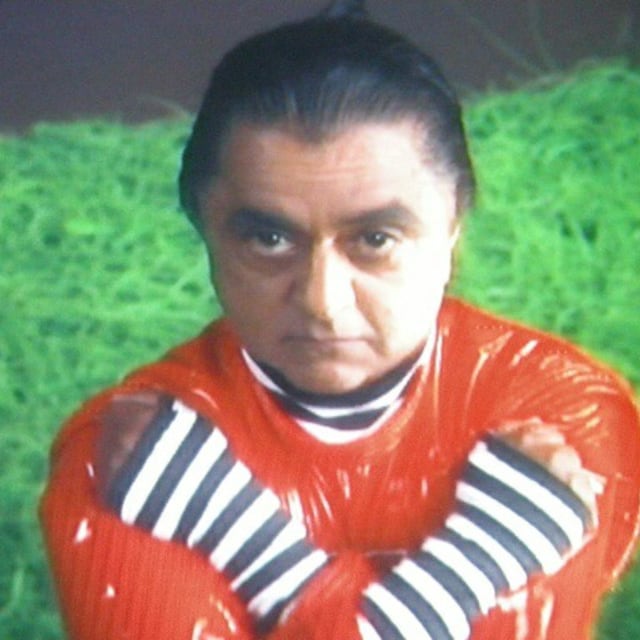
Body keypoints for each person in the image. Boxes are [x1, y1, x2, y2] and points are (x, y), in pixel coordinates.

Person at [40, 2, 640, 639]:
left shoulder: (567, 414)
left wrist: (236, 536)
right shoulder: (123, 451)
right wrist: (484, 557)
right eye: (269, 239)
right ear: (204, 227)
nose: (322, 302)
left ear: (453, 229)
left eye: (375, 239)